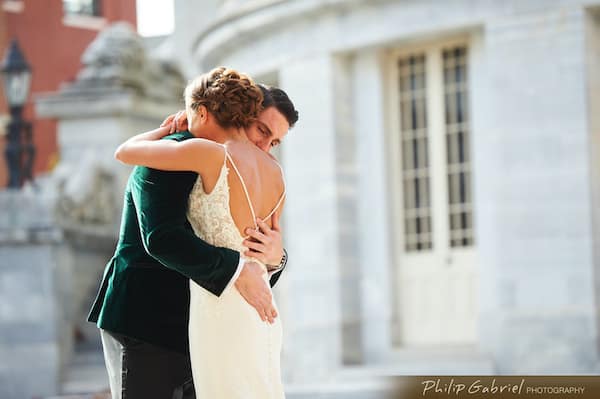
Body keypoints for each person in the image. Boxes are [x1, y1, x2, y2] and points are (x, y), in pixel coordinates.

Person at [87, 67, 298, 399]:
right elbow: (161, 237)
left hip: (214, 320)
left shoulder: (257, 168)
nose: (265, 146)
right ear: (241, 114)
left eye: (274, 141)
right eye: (262, 130)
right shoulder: (176, 151)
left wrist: (276, 259)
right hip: (148, 319)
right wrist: (238, 270)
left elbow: (253, 263)